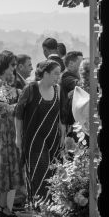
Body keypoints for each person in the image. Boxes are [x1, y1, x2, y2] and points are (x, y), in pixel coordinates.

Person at [14, 59, 63, 207]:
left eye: (59, 74)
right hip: (34, 139)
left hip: (53, 137)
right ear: (46, 73)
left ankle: (51, 207)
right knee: (39, 171)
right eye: (55, 73)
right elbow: (18, 114)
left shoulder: (58, 89)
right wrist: (18, 137)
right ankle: (39, 206)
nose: (58, 77)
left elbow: (60, 114)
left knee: (52, 172)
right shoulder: (31, 88)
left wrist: (62, 133)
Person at [0, 51, 23, 217]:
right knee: (3, 166)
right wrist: (20, 104)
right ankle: (2, 207)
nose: (13, 70)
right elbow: (2, 107)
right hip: (2, 130)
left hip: (0, 129)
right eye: (12, 66)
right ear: (4, 65)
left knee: (1, 166)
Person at [60, 51, 84, 131]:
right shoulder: (66, 76)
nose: (83, 66)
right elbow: (80, 85)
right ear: (71, 64)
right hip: (71, 124)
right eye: (81, 63)